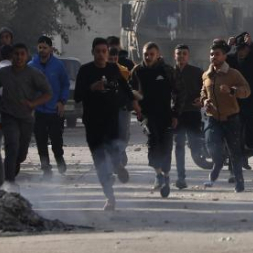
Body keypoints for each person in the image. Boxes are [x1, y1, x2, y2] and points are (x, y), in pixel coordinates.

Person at [75, 38, 140, 210]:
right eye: (98, 51)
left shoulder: (113, 69)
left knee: (114, 152)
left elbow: (126, 88)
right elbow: (77, 97)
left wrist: (135, 104)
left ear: (108, 53)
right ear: (93, 52)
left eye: (104, 51)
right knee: (99, 161)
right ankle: (110, 197)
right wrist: (91, 88)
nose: (102, 54)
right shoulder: (85, 70)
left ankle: (118, 166)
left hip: (111, 121)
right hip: (92, 122)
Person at [0, 43, 52, 192]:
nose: (19, 57)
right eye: (16, 54)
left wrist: (33, 103)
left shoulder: (34, 74)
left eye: (22, 54)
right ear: (11, 56)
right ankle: (9, 183)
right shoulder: (4, 73)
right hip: (8, 116)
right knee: (11, 146)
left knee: (21, 154)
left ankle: (13, 170)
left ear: (27, 56)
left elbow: (48, 94)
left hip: (26, 118)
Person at [129, 42, 183, 198]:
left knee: (166, 146)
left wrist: (175, 114)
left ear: (158, 55)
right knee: (153, 142)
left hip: (166, 115)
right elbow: (130, 91)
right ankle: (158, 174)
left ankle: (165, 175)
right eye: (146, 54)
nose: (148, 57)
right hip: (147, 115)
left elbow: (180, 92)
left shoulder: (167, 71)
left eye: (152, 54)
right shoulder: (137, 71)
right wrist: (136, 106)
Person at [201, 41, 250, 192]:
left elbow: (246, 90)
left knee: (235, 152)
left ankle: (239, 183)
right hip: (213, 118)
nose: (213, 57)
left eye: (217, 54)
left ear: (224, 56)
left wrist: (232, 90)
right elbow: (203, 91)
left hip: (231, 118)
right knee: (211, 145)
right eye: (211, 54)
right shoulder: (206, 75)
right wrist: (204, 101)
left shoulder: (233, 74)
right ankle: (217, 163)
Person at [29, 36, 70, 177]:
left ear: (51, 49)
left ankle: (59, 159)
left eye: (45, 47)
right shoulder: (31, 66)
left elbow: (65, 84)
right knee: (40, 140)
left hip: (55, 109)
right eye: (40, 47)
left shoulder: (58, 66)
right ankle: (46, 169)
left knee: (56, 139)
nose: (42, 50)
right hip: (38, 110)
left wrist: (62, 101)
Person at [228, 32, 253, 170]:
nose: (241, 52)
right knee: (237, 132)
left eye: (244, 48)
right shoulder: (231, 59)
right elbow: (218, 60)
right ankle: (237, 161)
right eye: (239, 49)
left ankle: (250, 150)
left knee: (252, 133)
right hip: (236, 101)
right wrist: (227, 46)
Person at [172, 44, 204, 189]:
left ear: (188, 56)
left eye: (184, 54)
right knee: (179, 145)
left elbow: (206, 88)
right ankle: (181, 177)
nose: (181, 56)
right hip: (177, 115)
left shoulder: (197, 72)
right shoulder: (170, 72)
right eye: (179, 54)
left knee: (195, 145)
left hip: (192, 113)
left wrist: (202, 100)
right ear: (175, 55)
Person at [109, 46, 133, 181]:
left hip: (123, 108)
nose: (112, 61)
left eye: (115, 58)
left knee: (123, 134)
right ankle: (116, 162)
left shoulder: (125, 71)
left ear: (118, 58)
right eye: (110, 59)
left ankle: (120, 153)